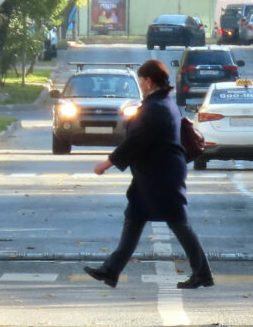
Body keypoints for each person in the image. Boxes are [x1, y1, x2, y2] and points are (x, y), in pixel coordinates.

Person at [84, 59, 213, 289]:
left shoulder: (155, 107)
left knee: (178, 222)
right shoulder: (163, 102)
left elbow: (136, 141)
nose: (140, 85)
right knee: (134, 217)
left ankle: (202, 273)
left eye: (141, 80)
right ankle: (111, 270)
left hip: (161, 176)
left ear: (148, 81)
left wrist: (107, 163)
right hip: (155, 174)